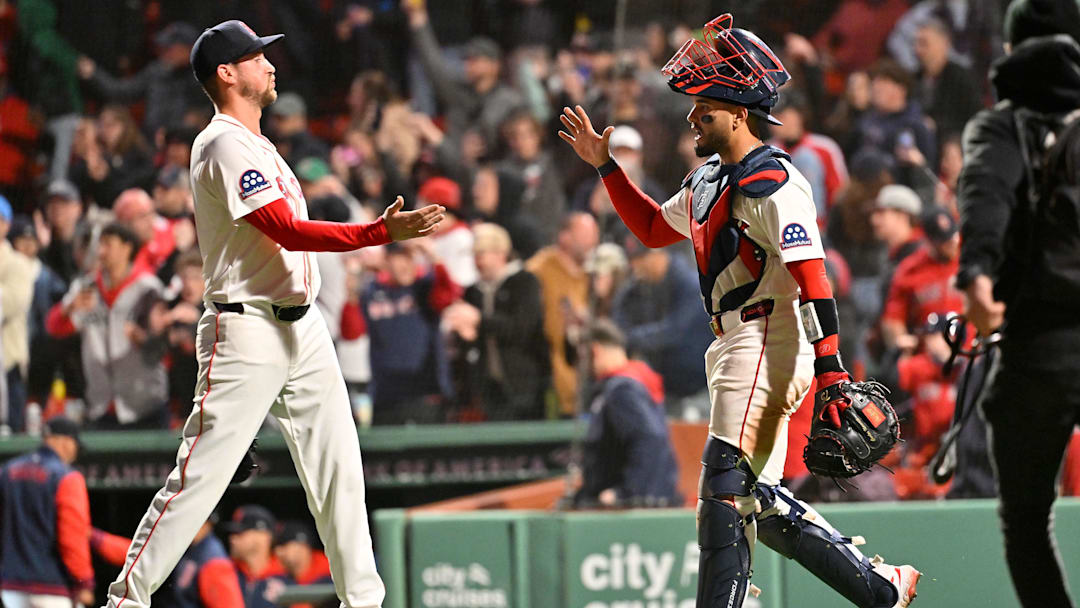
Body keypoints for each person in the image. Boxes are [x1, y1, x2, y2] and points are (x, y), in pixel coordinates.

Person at [559, 14, 920, 608]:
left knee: (722, 491)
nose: (692, 116)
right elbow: (652, 227)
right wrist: (606, 167)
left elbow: (814, 278)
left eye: (703, 107)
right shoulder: (709, 177)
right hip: (733, 342)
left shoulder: (771, 179)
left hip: (767, 334)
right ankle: (879, 586)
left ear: (737, 112)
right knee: (757, 497)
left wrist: (831, 370)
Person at [100, 20, 444, 608]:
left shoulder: (260, 146)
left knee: (340, 468)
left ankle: (364, 602)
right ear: (227, 73)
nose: (270, 63)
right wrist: (376, 232)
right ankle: (126, 599)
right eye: (256, 56)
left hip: (301, 327)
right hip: (246, 327)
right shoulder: (222, 142)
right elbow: (282, 229)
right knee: (200, 478)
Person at [955, 1, 1080, 605]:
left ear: (1010, 50)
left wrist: (977, 272)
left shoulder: (1002, 126)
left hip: (1040, 347)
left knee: (1027, 519)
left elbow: (987, 191)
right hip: (1042, 341)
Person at [45, 223, 169, 429]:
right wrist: (69, 308)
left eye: (108, 245)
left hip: (146, 405)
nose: (100, 251)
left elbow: (163, 347)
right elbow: (54, 327)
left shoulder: (148, 289)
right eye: (99, 244)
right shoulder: (86, 288)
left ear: (127, 248)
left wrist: (143, 339)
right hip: (101, 406)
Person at [572, 319, 681, 508]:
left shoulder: (622, 390)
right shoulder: (633, 382)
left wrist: (625, 493)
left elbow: (650, 440)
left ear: (595, 350)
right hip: (645, 500)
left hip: (634, 508)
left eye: (583, 358)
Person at [445, 223, 549, 420]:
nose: (478, 260)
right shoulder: (473, 292)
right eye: (475, 255)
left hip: (524, 383)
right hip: (486, 388)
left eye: (483, 253)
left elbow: (521, 328)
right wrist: (466, 335)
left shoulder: (524, 282)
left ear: (501, 253)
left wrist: (478, 320)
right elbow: (469, 343)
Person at [0, 417, 95, 607]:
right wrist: (83, 582)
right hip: (53, 587)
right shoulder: (67, 476)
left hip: (11, 587)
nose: (75, 453)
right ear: (66, 441)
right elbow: (72, 537)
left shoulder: (6, 471)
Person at [90, 515, 245, 608]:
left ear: (208, 523)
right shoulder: (186, 547)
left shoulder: (213, 560)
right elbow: (140, 557)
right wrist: (95, 538)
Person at [274, 521, 333, 608]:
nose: (278, 551)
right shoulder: (279, 577)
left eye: (283, 545)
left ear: (301, 546)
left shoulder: (331, 573)